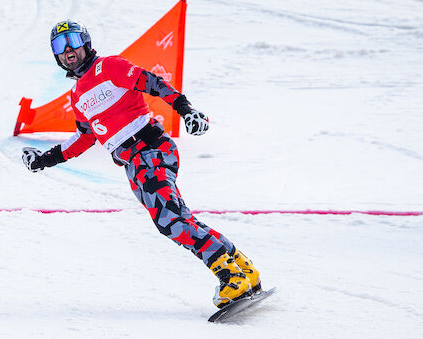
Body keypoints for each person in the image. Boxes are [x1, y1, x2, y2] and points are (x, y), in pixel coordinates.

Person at [21, 20, 261, 309]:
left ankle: (230, 276)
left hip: (149, 148)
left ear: (85, 42)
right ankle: (243, 269)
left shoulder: (108, 67)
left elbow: (152, 82)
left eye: (72, 40)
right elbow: (85, 138)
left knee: (170, 221)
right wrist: (44, 160)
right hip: (132, 161)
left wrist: (186, 110)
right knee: (176, 218)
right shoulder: (77, 95)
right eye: (59, 46)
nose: (67, 49)